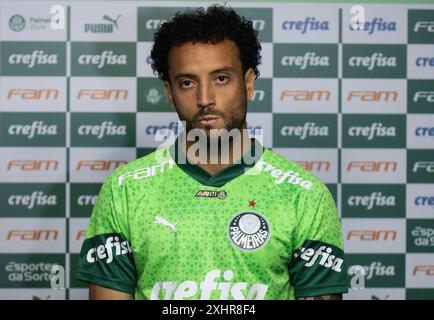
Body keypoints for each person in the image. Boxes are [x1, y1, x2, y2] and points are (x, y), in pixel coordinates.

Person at [75, 5, 348, 300]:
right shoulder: (125, 189)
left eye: (221, 78)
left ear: (248, 83)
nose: (205, 99)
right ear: (169, 93)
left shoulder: (304, 195)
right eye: (187, 83)